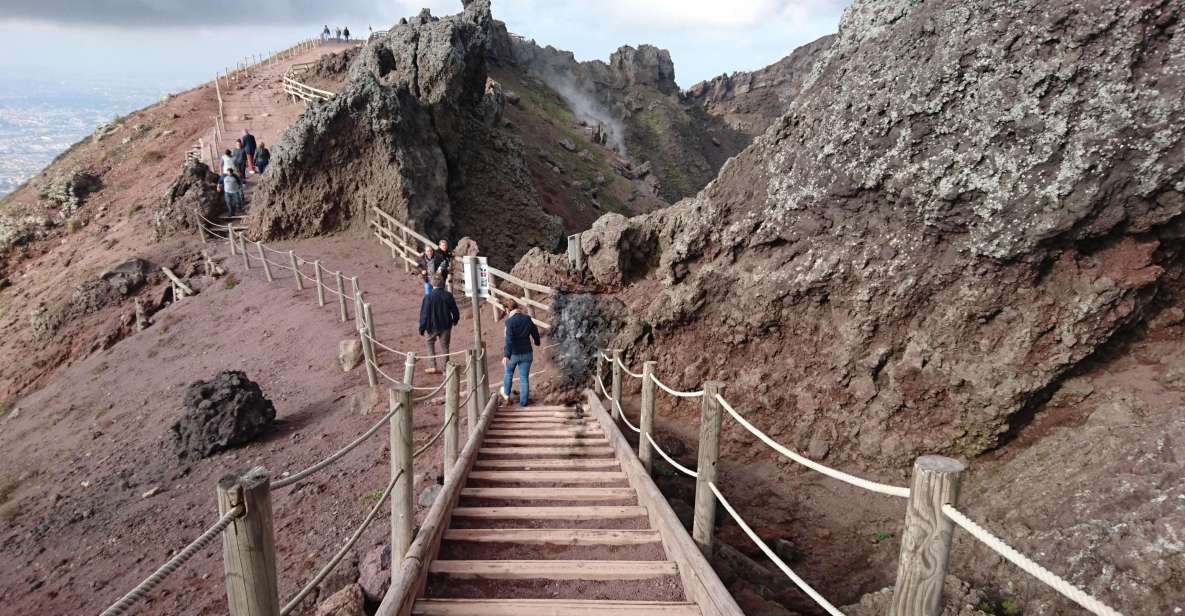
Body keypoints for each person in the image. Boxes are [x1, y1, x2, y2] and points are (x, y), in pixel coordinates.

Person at [501, 300, 541, 407]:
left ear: (507, 309)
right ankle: (523, 403)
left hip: (514, 354)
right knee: (524, 378)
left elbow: (509, 340)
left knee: (509, 372)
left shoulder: (509, 322)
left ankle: (506, 395)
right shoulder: (527, 319)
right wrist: (537, 341)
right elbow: (535, 332)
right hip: (527, 353)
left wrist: (506, 355)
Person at [419, 274, 460, 374]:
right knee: (445, 346)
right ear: (443, 284)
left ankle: (433, 365)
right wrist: (455, 320)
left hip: (432, 326)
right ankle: (446, 368)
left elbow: (424, 314)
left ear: (433, 285)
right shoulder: (448, 295)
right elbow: (455, 310)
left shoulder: (428, 297)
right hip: (446, 325)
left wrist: (422, 327)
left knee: (430, 343)